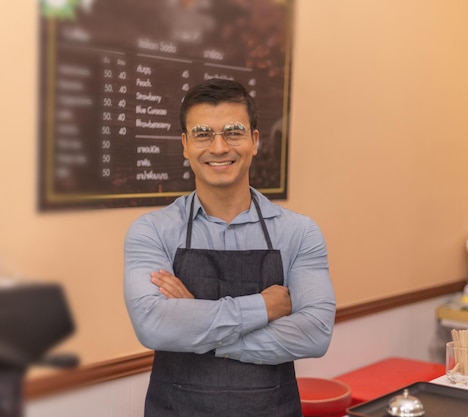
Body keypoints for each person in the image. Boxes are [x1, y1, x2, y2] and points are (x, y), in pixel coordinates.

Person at [124, 79, 336, 417]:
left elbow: (314, 333)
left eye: (233, 132)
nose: (219, 147)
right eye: (203, 134)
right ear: (185, 144)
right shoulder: (152, 231)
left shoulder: (299, 232)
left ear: (254, 141)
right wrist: (263, 307)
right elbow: (153, 325)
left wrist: (197, 324)